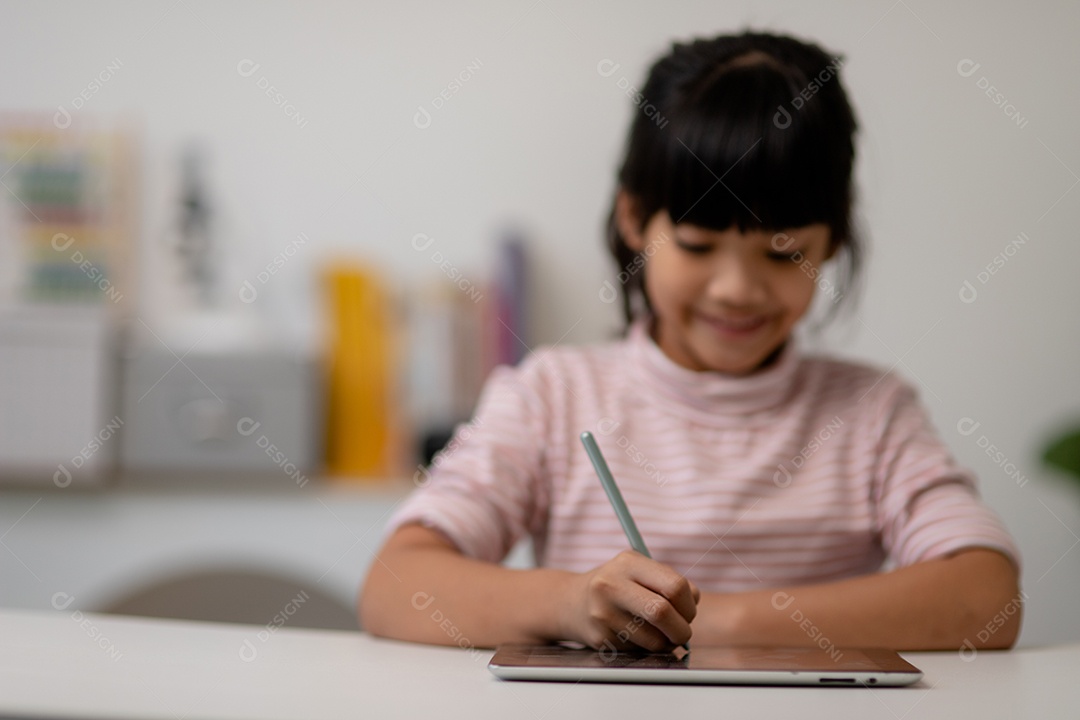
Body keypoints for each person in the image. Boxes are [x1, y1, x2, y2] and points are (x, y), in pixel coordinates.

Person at [359, 30, 1021, 653]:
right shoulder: (552, 395)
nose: (736, 289)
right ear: (634, 220)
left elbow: (987, 597)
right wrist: (569, 603)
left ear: (834, 243)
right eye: (699, 246)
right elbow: (394, 587)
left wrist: (714, 622)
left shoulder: (873, 413)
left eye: (784, 254)